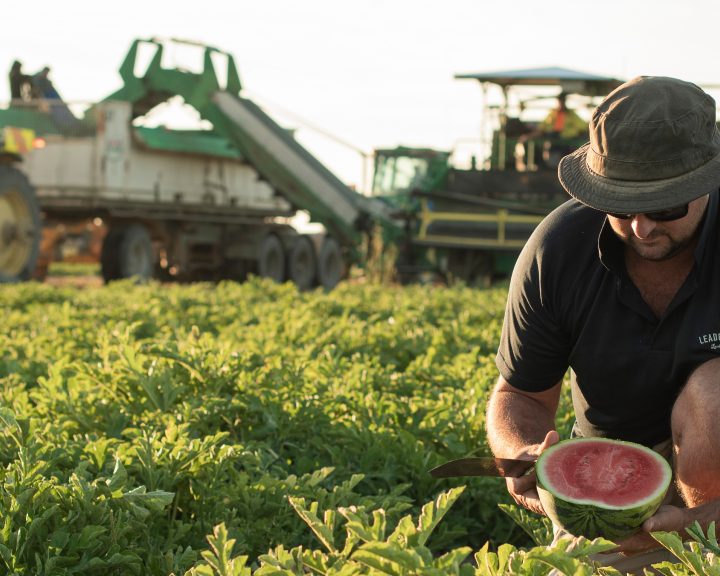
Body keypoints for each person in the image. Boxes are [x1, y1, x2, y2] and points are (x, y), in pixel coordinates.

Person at [485, 75, 720, 570]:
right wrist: (520, 451)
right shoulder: (560, 250)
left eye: (665, 205)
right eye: (621, 204)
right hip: (605, 483)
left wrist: (709, 519)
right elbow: (519, 395)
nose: (642, 227)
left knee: (714, 391)